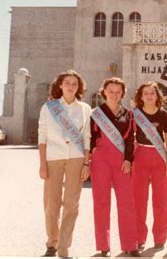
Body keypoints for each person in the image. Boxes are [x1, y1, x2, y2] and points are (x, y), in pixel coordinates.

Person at [38, 70, 91, 257]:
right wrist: (42, 164)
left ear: (79, 87)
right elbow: (42, 137)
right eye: (67, 83)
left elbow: (86, 137)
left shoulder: (85, 108)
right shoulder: (49, 107)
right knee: (51, 202)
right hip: (53, 157)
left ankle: (64, 246)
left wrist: (86, 163)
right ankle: (52, 242)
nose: (70, 86)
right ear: (60, 85)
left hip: (76, 158)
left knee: (71, 203)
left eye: (74, 84)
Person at [90, 77, 139, 257]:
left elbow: (129, 140)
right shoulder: (96, 113)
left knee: (126, 202)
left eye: (118, 92)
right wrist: (94, 152)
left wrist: (128, 160)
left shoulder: (128, 114)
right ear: (104, 92)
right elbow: (90, 136)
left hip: (121, 161)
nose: (114, 95)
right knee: (101, 202)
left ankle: (130, 244)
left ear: (122, 94)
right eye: (111, 91)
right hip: (101, 158)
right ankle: (103, 245)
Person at [132, 82, 167, 252]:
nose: (149, 96)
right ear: (140, 97)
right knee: (139, 200)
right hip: (140, 155)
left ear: (157, 96)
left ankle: (160, 238)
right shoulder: (134, 114)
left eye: (152, 93)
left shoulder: (164, 115)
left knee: (160, 200)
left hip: (159, 157)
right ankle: (139, 238)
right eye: (145, 93)